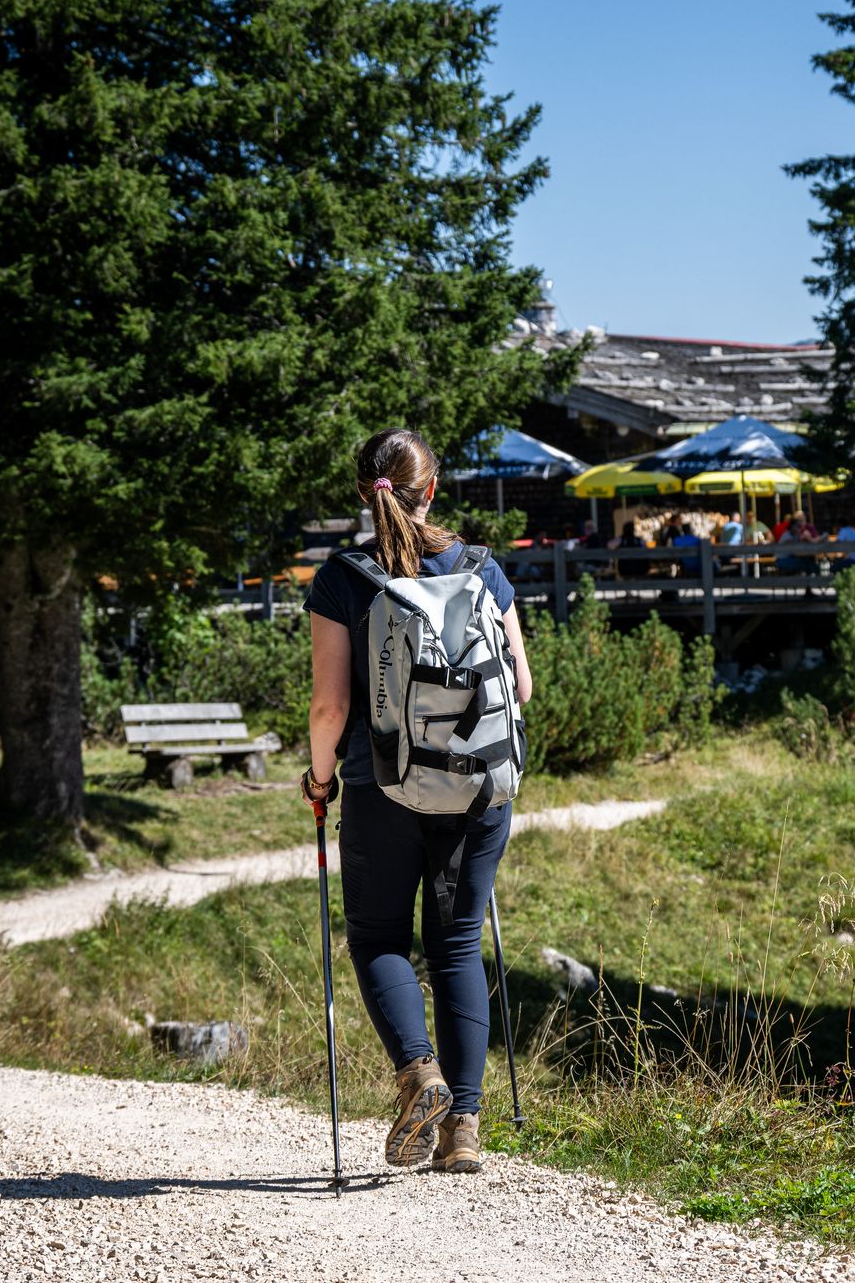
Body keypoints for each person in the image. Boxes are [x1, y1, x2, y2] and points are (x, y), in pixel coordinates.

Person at [302, 427, 534, 1176]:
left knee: (377, 939)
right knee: (457, 943)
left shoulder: (345, 577)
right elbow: (522, 687)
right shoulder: (480, 567)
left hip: (383, 786)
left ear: (363, 492)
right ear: (430, 489)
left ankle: (419, 1073)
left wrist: (318, 780)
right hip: (477, 786)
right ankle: (463, 1127)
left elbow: (329, 712)